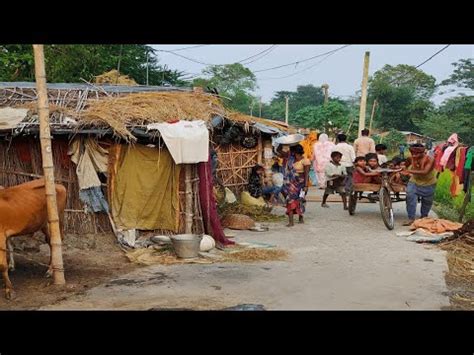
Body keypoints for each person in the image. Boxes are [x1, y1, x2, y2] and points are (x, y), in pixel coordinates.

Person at [402, 143, 437, 226]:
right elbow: (405, 165)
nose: (414, 156)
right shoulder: (410, 158)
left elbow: (425, 172)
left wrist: (409, 171)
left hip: (429, 182)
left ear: (423, 152)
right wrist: (402, 168)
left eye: (416, 154)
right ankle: (411, 218)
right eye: (412, 153)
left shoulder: (430, 159)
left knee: (427, 202)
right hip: (414, 181)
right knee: (410, 197)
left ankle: (423, 218)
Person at [281, 144, 311, 227]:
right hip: (291, 184)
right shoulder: (291, 160)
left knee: (300, 200)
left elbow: (306, 174)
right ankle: (291, 221)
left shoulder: (305, 161)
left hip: (300, 184)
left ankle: (300, 217)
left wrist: (306, 186)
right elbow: (280, 153)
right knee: (290, 200)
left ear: (295, 152)